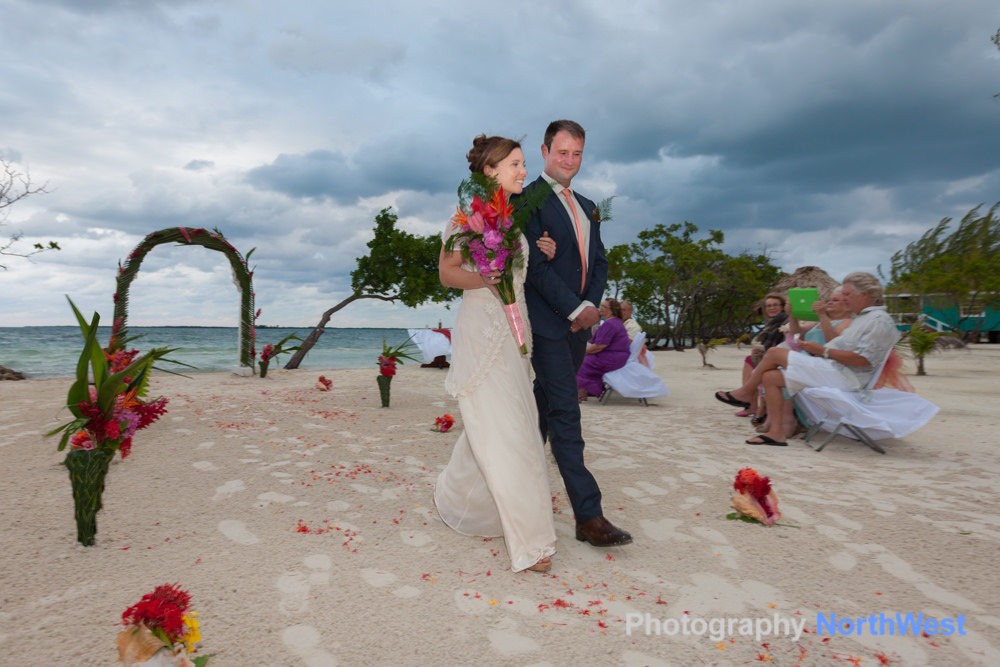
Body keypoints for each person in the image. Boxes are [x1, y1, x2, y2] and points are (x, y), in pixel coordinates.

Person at [434, 134, 559, 573]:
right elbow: (449, 274)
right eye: (516, 164)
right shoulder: (463, 219)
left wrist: (542, 252)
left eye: (524, 164)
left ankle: (458, 500)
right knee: (512, 434)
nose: (524, 171)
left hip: (513, 333)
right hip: (482, 332)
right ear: (490, 170)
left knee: (496, 428)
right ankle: (532, 543)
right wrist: (488, 278)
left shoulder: (513, 221)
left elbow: (519, 274)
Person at [521, 119, 632, 547]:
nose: (570, 161)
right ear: (546, 152)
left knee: (542, 410)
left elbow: (599, 261)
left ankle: (513, 489)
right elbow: (533, 266)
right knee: (567, 413)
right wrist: (573, 307)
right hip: (549, 324)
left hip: (579, 326)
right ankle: (589, 516)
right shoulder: (526, 200)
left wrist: (589, 309)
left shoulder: (588, 206)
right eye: (562, 152)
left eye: (577, 154)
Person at [713, 272, 898, 446]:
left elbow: (863, 360)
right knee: (770, 377)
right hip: (834, 369)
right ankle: (777, 434)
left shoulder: (878, 320)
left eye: (847, 294)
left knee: (774, 353)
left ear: (864, 295)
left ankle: (746, 392)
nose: (844, 299)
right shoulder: (863, 319)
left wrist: (822, 351)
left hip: (846, 377)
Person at [576, 298, 631, 401]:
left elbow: (600, 346)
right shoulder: (615, 322)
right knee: (585, 360)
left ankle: (581, 393)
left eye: (604, 307)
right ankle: (587, 390)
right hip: (617, 357)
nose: (600, 308)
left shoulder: (610, 324)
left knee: (582, 362)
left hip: (612, 358)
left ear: (611, 310)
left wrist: (583, 352)